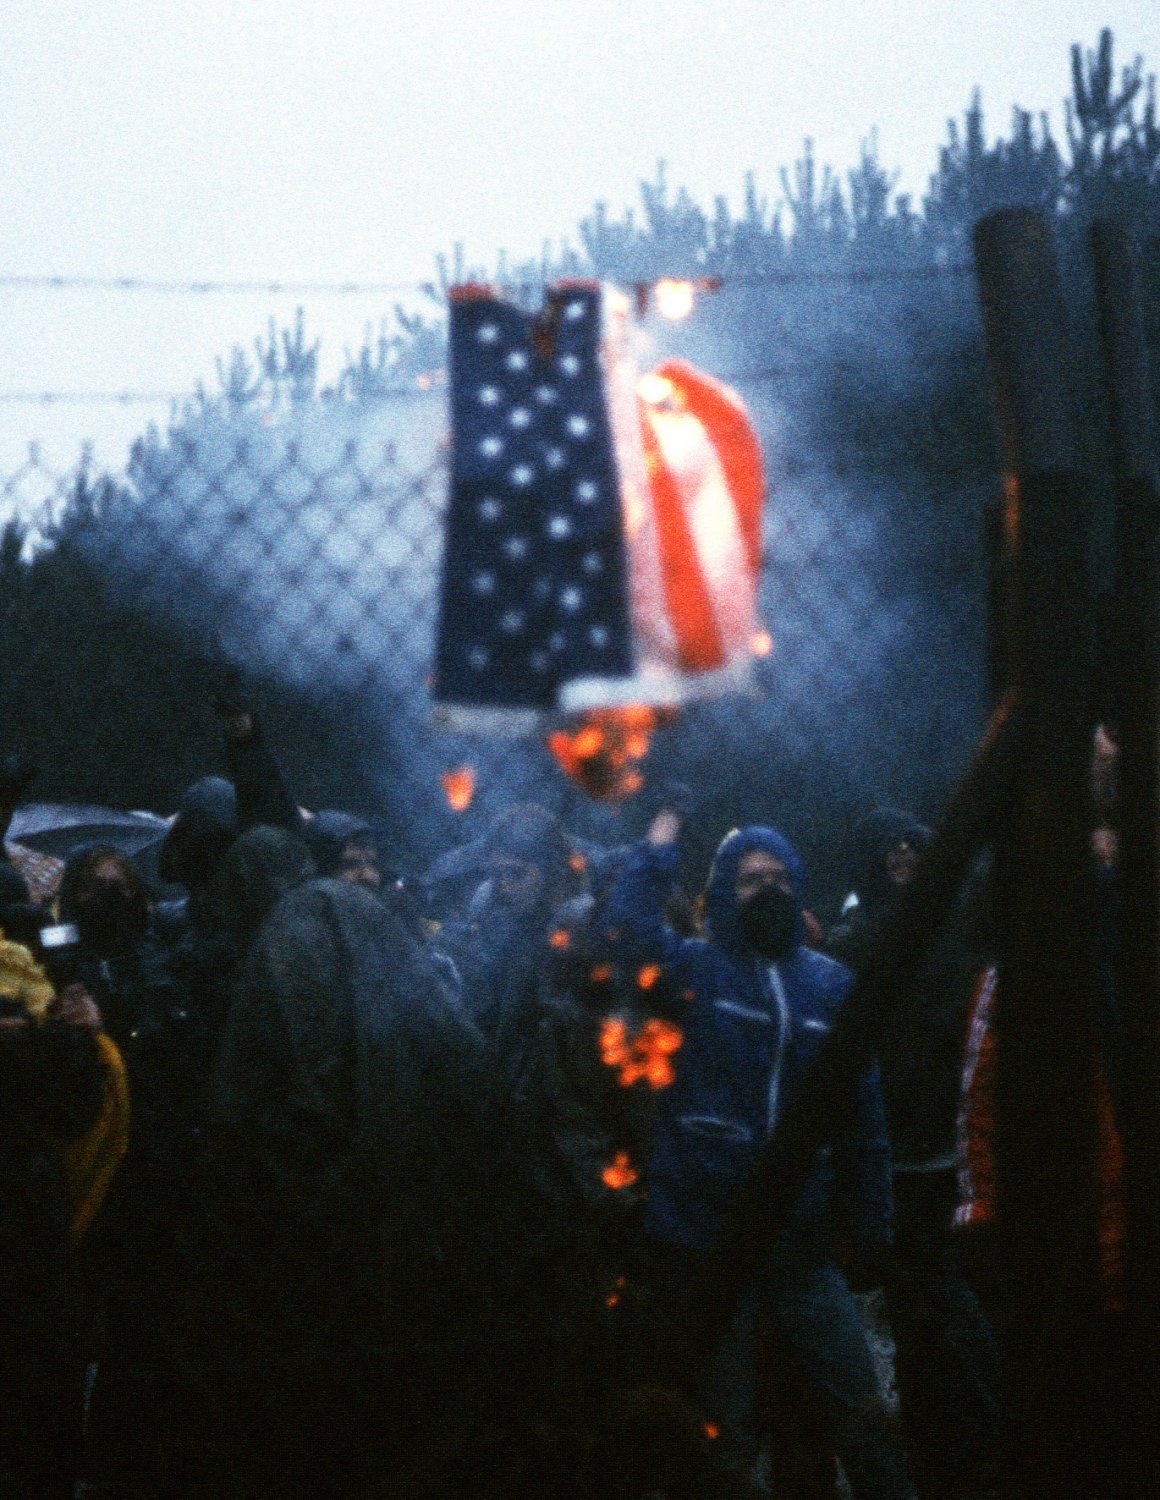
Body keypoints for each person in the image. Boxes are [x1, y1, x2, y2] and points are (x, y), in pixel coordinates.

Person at [606, 808, 908, 1500]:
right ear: (722, 891)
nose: (765, 890)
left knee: (861, 1412)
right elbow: (625, 938)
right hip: (710, 1243)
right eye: (748, 881)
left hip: (801, 1244)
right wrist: (657, 849)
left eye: (777, 878)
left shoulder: (829, 984)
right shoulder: (695, 970)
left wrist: (870, 1224)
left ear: (797, 885)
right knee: (726, 1429)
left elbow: (862, 1115)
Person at [827, 809, 998, 1500]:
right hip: (890, 1161)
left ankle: (975, 1453)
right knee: (916, 1321)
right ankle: (937, 1461)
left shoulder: (961, 937)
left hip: (956, 1159)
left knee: (964, 1315)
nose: (901, 852)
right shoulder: (852, 945)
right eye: (887, 845)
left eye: (913, 841)